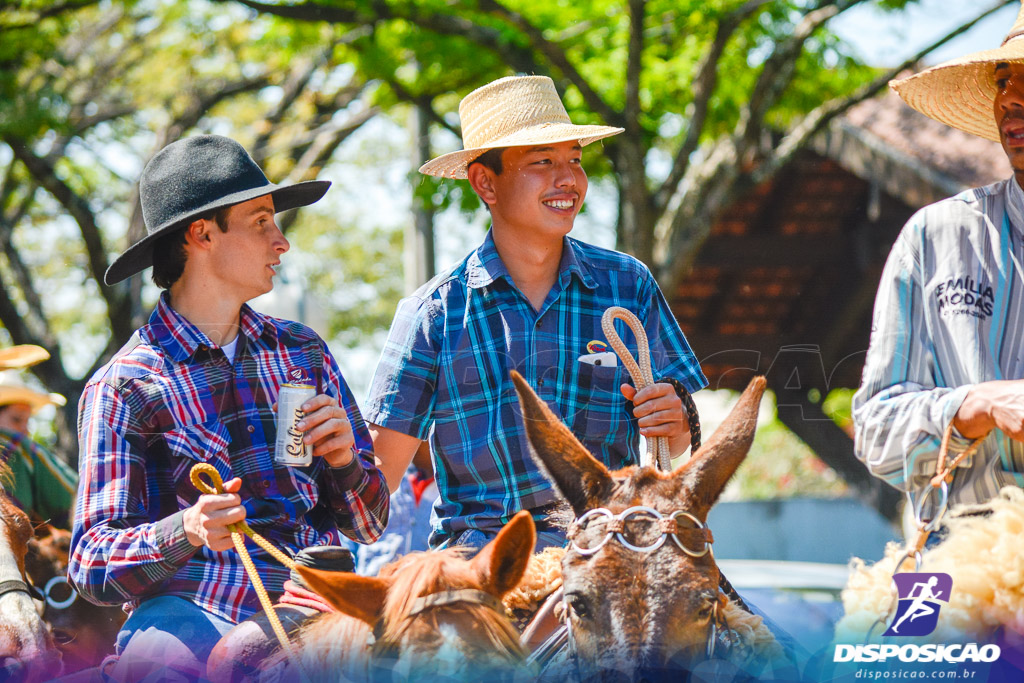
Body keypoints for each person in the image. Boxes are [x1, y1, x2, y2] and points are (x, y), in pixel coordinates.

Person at [70, 134, 389, 680]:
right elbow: (92, 564)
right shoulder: (124, 383)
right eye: (261, 221)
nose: (281, 241)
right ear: (202, 235)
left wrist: (346, 463)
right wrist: (188, 529)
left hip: (317, 596)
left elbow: (369, 524)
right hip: (190, 610)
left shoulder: (303, 352)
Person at [366, 76, 707, 550]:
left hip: (612, 549)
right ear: (485, 182)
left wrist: (675, 421)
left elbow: (674, 444)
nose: (568, 179)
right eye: (543, 162)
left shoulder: (627, 285)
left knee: (747, 627)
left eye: (574, 160)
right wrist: (333, 455)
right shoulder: (434, 314)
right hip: (484, 563)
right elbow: (371, 492)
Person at [854, 0, 1024, 516]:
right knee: (904, 601)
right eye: (1001, 80)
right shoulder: (936, 236)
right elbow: (875, 431)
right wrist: (975, 405)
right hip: (964, 566)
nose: (1010, 98)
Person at [0, 345, 77, 528]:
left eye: (27, 422)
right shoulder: (18, 446)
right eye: (17, 419)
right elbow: (80, 494)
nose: (25, 431)